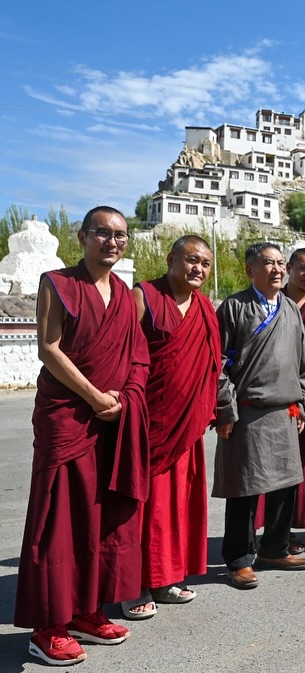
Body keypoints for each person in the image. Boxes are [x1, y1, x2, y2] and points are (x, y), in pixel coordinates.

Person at [15, 206, 148, 666]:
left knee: (99, 517)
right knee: (57, 520)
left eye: (120, 235)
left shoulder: (126, 295)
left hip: (111, 418)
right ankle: (47, 626)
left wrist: (125, 400)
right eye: (102, 233)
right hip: (68, 416)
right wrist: (94, 397)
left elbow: (138, 356)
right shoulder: (58, 284)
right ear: (83, 237)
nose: (112, 242)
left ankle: (86, 611)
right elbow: (48, 349)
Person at [123, 236, 220, 620]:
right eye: (192, 260)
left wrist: (217, 409)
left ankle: (165, 578)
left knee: (177, 505)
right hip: (147, 422)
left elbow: (213, 363)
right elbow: (122, 355)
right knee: (142, 507)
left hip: (186, 425)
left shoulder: (205, 308)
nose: (199, 268)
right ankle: (133, 585)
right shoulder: (143, 296)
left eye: (206, 263)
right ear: (171, 258)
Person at [213, 242, 305, 590]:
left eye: (281, 263)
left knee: (285, 485)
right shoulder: (234, 307)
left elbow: (302, 362)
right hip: (247, 412)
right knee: (244, 487)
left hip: (285, 410)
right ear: (250, 270)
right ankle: (239, 559)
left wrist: (303, 402)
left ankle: (274, 549)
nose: (277, 269)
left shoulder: (290, 308)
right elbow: (218, 364)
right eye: (268, 263)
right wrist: (225, 408)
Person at [260, 248, 305, 553]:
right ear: (289, 268)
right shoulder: (273, 301)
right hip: (274, 397)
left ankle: (287, 528)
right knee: (269, 464)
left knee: (302, 465)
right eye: (302, 268)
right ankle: (268, 528)